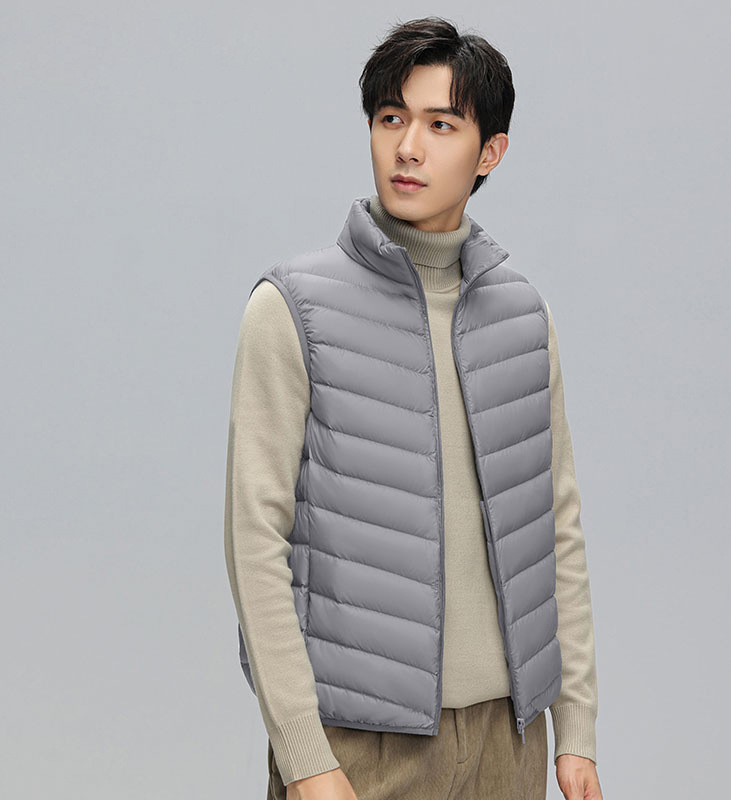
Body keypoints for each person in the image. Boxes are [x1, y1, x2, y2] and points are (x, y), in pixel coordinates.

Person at [224, 16, 603, 800]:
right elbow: (255, 540)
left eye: (441, 125)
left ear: (490, 151)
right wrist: (305, 756)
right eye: (392, 118)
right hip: (358, 749)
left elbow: (556, 531)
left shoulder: (523, 318)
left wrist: (577, 730)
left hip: (507, 744)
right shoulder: (292, 309)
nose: (408, 147)